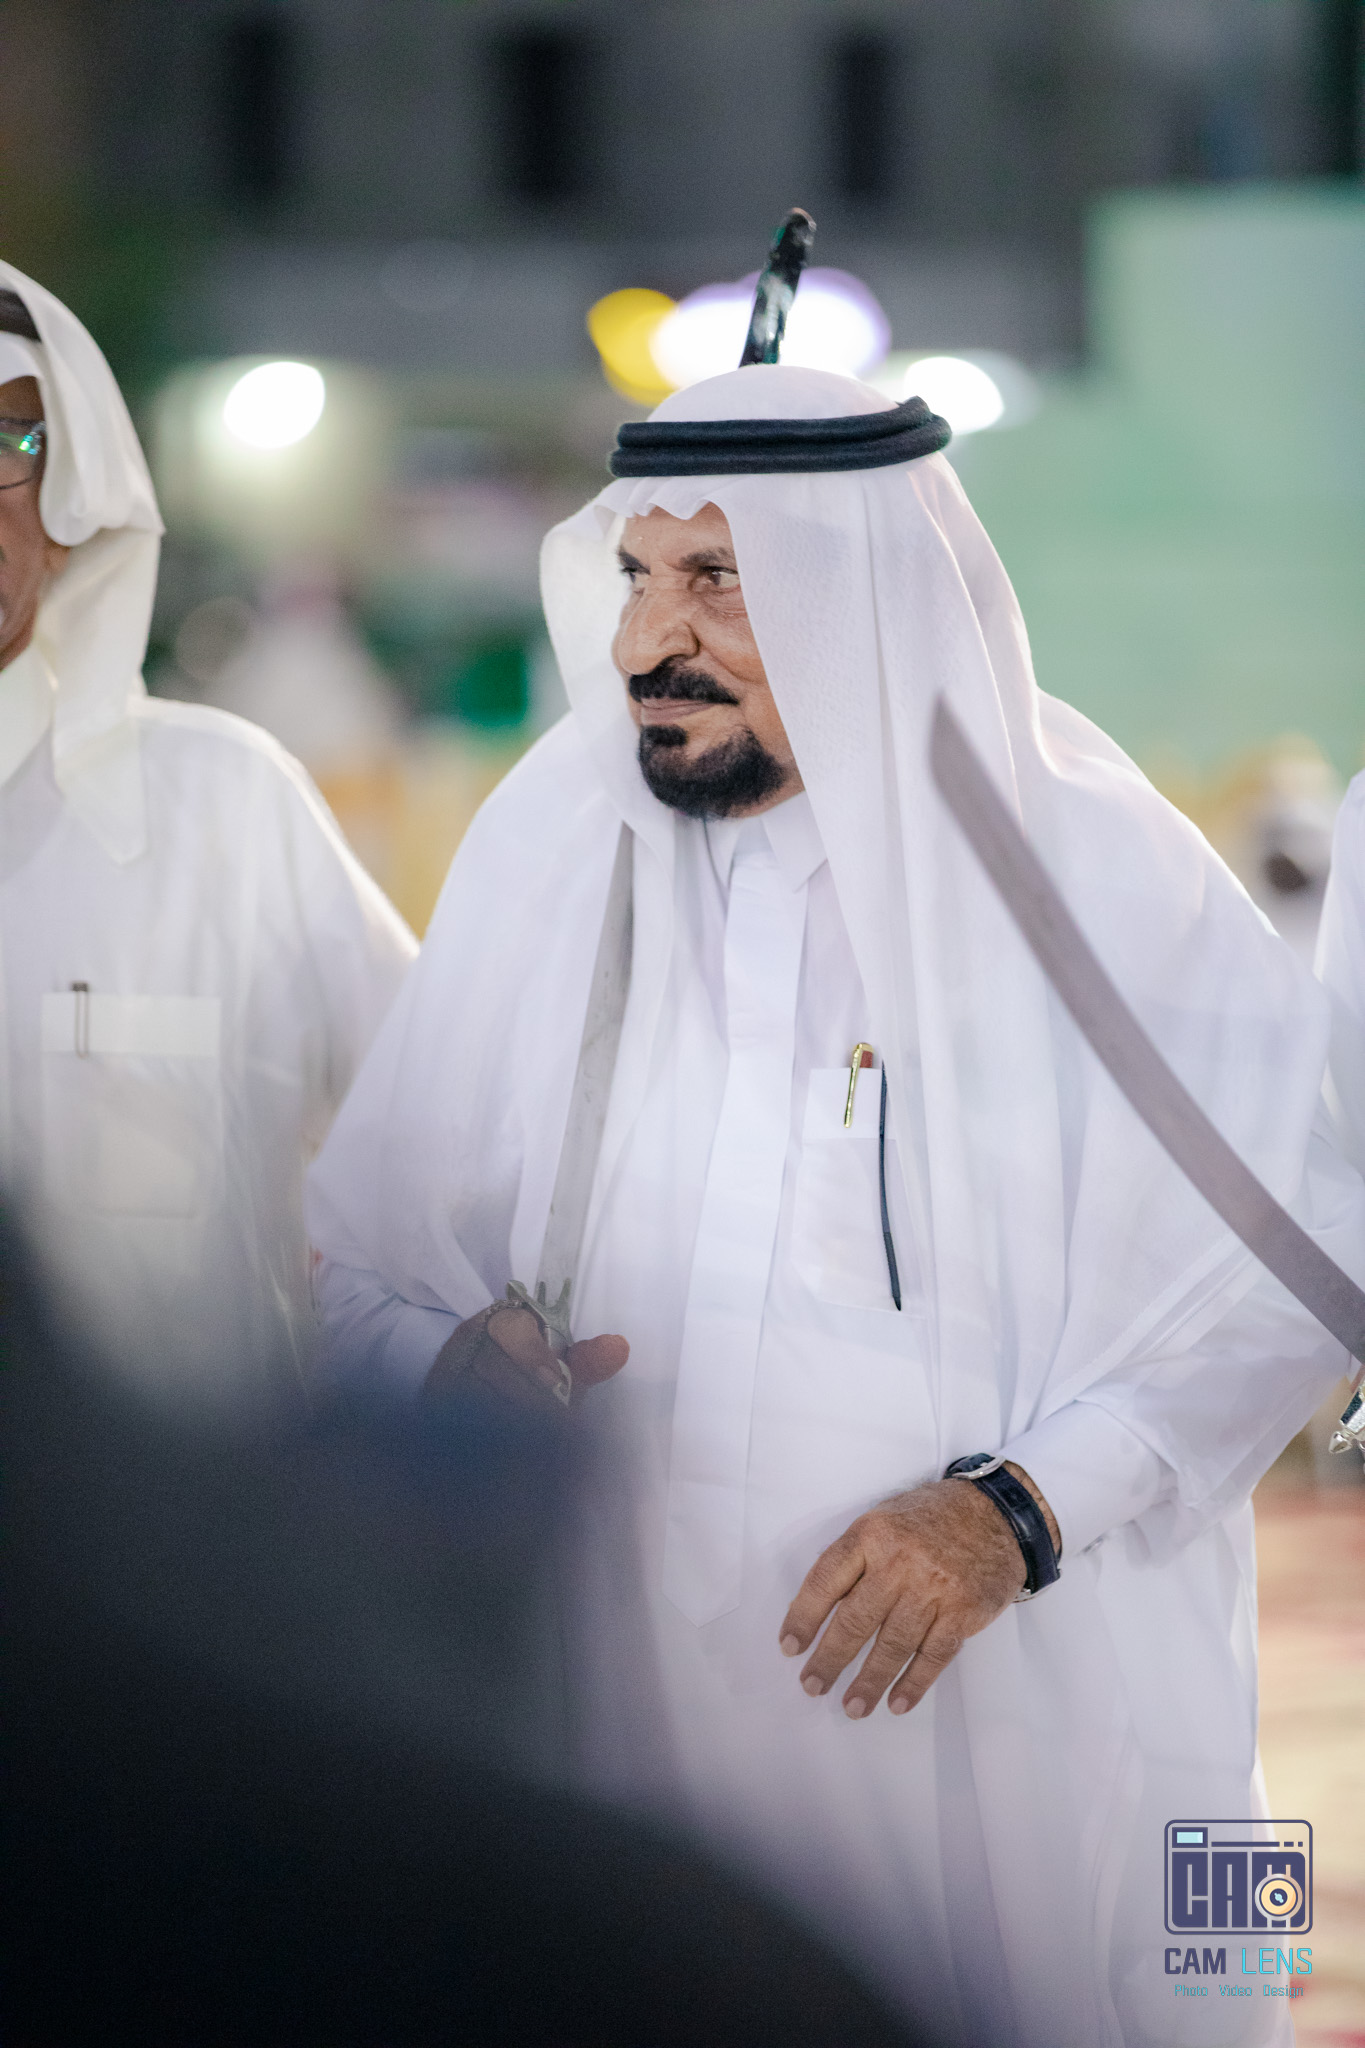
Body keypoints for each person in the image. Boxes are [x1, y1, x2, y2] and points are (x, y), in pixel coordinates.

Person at [306, 363, 1363, 2047]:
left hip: (1026, 1722)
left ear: (856, 589)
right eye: (635, 574)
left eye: (717, 579)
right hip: (632, 1721)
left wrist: (1019, 1513)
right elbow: (351, 1252)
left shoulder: (1089, 870)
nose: (649, 637)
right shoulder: (552, 849)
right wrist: (444, 1357)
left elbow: (1299, 1258)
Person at [0, 262, 415, 1405]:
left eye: (3, 444)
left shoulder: (226, 807)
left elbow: (442, 1155)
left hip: (171, 1511)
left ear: (74, 513)